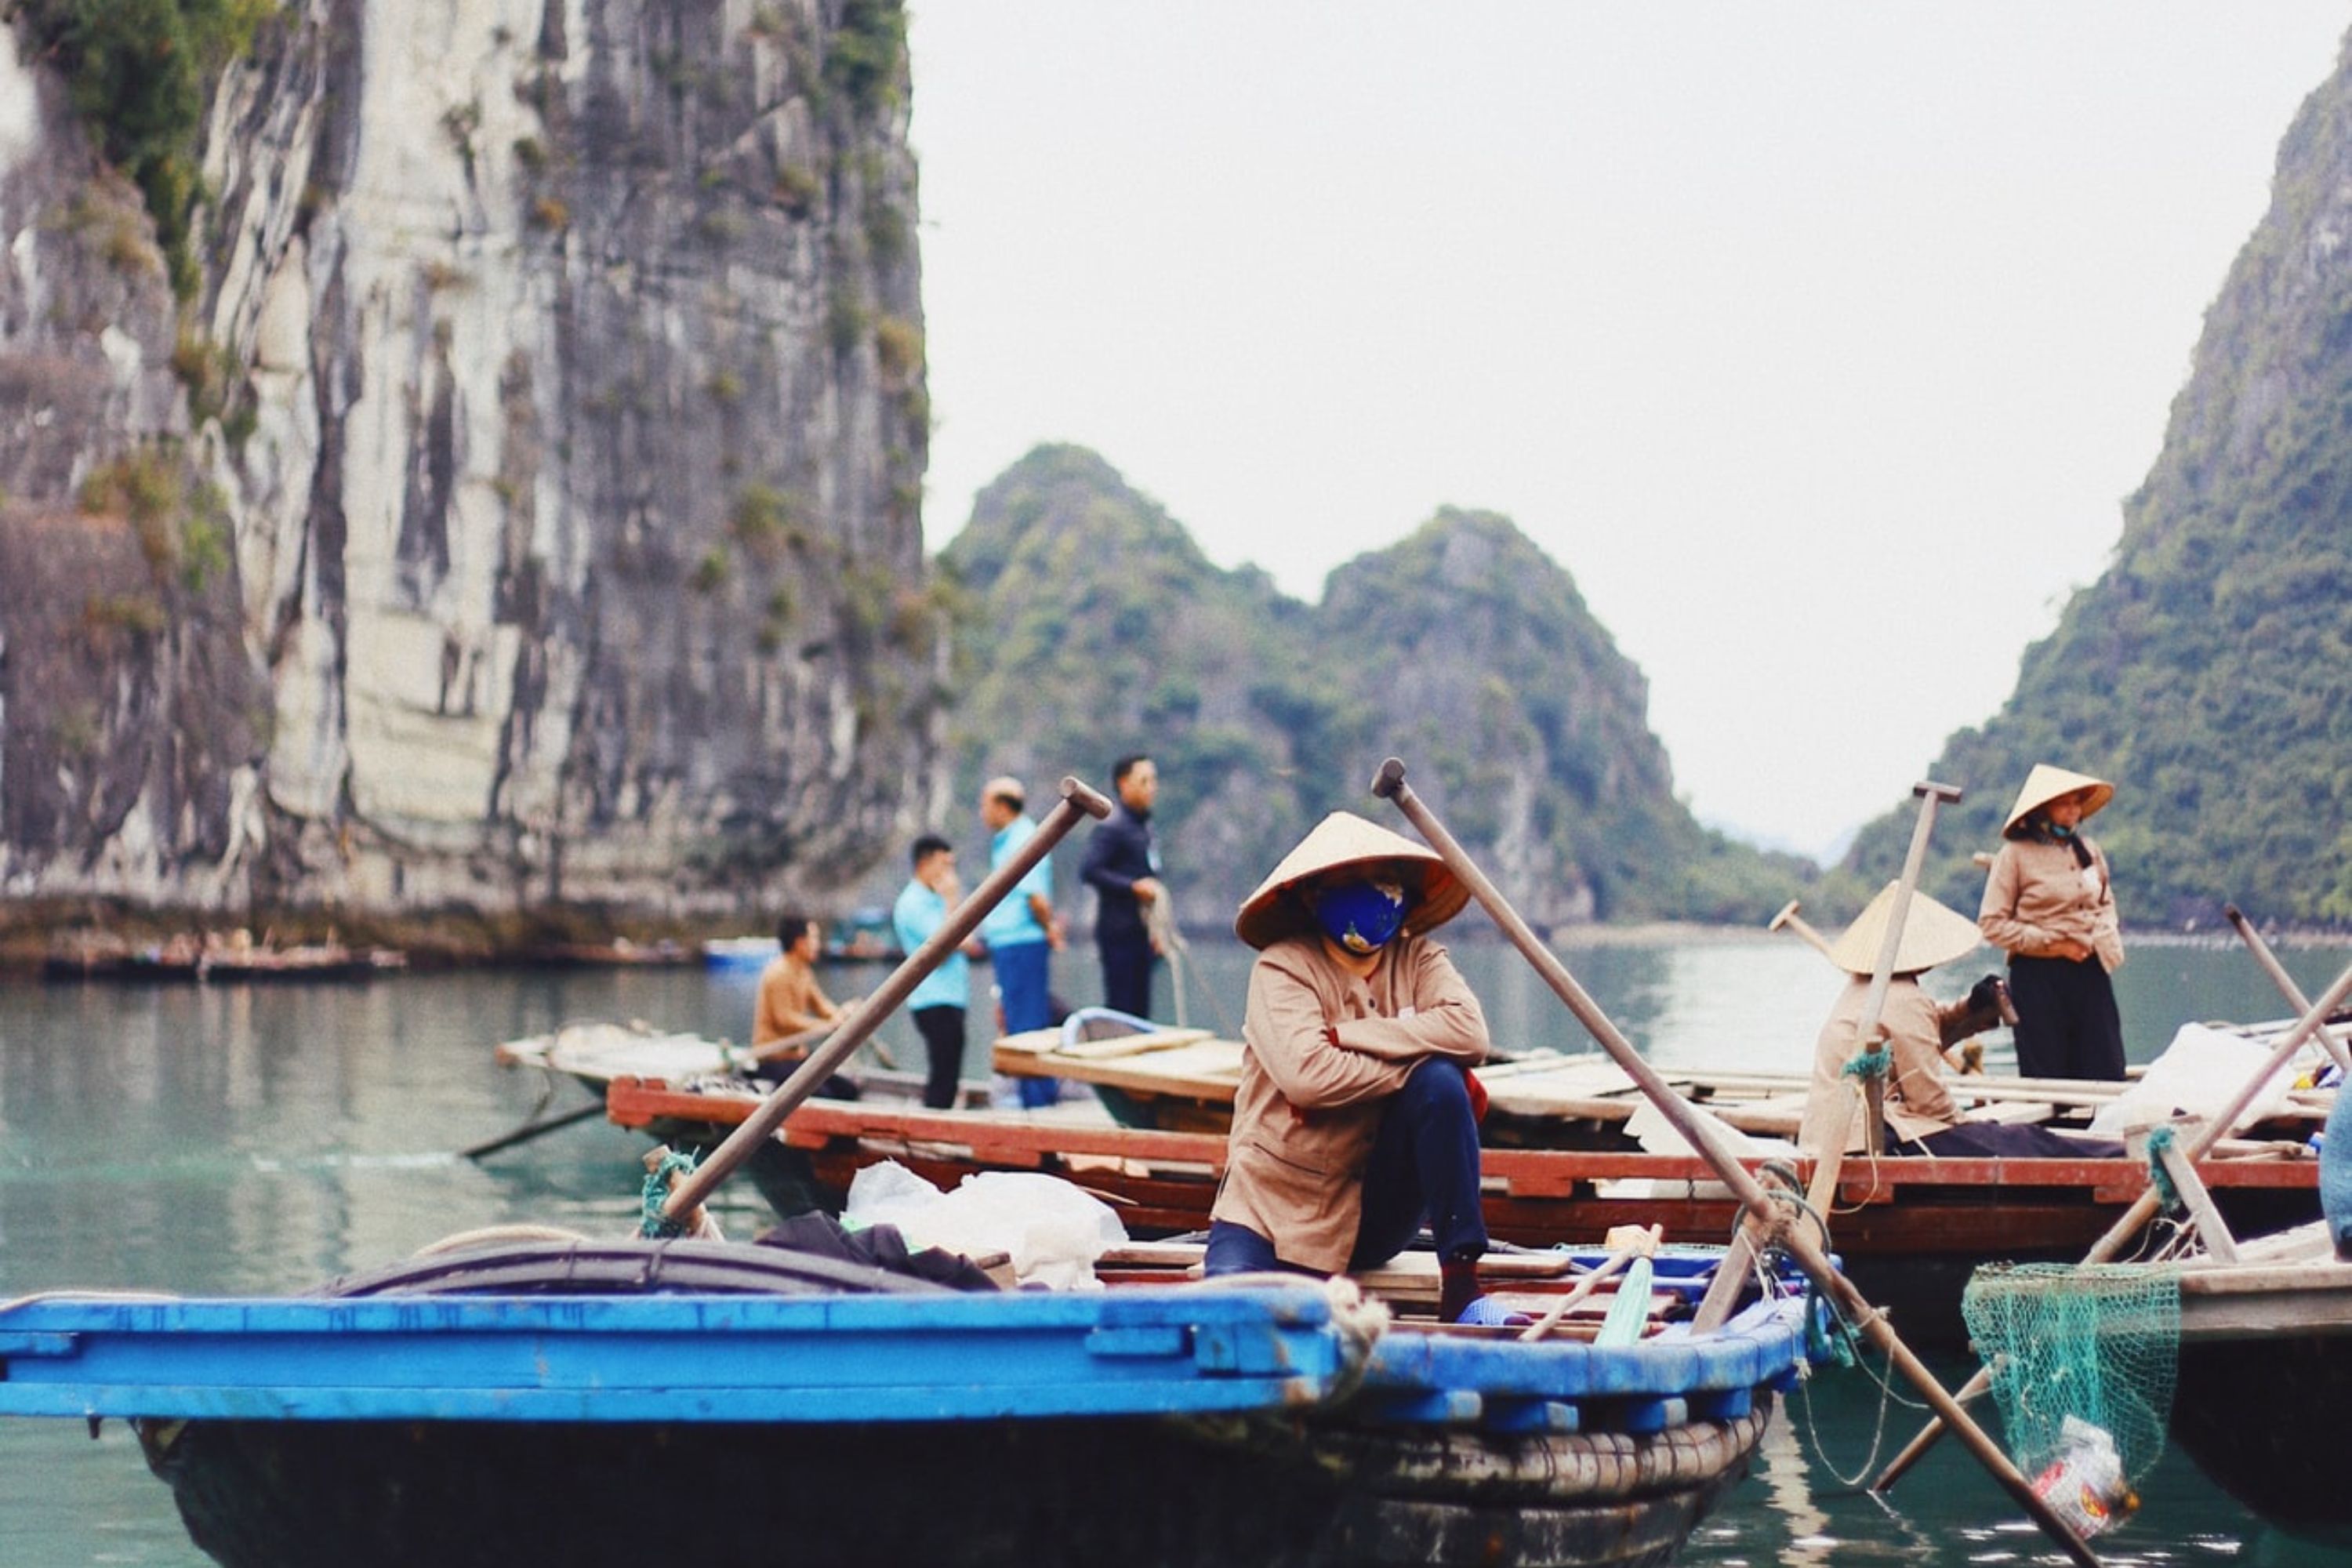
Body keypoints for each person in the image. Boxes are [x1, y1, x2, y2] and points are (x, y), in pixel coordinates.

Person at [1201, 811, 1513, 1325]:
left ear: (1405, 893)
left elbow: (1469, 1033)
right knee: (1229, 1320)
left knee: (1440, 1085)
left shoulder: (1420, 961)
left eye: (1382, 880)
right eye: (1349, 882)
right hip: (1273, 1207)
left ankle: (1462, 1288)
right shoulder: (1284, 968)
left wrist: (1352, 1037)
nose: (1369, 892)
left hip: (1374, 1212)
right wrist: (1409, 1064)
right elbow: (1310, 1077)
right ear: (1313, 896)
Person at [1800, 882, 2119, 1159]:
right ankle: (2120, 1159)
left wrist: (1972, 1007)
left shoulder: (1867, 988)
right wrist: (1978, 1131)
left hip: (1838, 1135)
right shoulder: (1903, 998)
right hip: (1873, 1139)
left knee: (2014, 1138)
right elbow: (1930, 1103)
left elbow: (1925, 1028)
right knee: (2025, 1141)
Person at [1978, 764, 2127, 1082]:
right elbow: (1992, 923)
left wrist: (2101, 936)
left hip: (2091, 971)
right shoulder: (2014, 855)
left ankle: (2099, 1132)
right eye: (2063, 804)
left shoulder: (2089, 850)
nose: (2073, 811)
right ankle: (2051, 1133)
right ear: (2041, 811)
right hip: (2039, 978)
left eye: (2076, 803)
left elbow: (2105, 903)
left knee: (2106, 1066)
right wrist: (2053, 944)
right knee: (2047, 1070)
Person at [978, 775, 1065, 1108]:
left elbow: (1036, 898)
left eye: (986, 804)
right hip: (1008, 941)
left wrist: (1050, 928)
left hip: (1022, 942)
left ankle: (1038, 1099)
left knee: (1027, 1021)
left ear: (1002, 806)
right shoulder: (1005, 840)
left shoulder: (1025, 837)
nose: (983, 812)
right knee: (1015, 1019)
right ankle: (1029, 1095)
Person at [892, 834, 978, 1110]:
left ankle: (940, 1120)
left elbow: (968, 941)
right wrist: (952, 899)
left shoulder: (935, 900)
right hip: (932, 998)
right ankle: (933, 1124)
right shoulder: (912, 903)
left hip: (952, 996)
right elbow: (941, 947)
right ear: (925, 863)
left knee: (950, 1071)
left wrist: (950, 904)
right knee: (942, 1072)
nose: (949, 873)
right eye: (945, 864)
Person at [1080, 753, 1163, 1018]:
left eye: (1153, 780)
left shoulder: (1145, 826)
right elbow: (1090, 870)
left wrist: (1158, 931)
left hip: (1142, 930)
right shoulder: (1111, 827)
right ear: (1124, 783)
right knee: (1122, 1005)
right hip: (1118, 932)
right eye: (1144, 780)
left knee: (1141, 1007)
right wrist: (1132, 887)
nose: (1152, 787)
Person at [750, 913, 862, 1098]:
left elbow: (820, 1005)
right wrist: (826, 1026)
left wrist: (842, 1015)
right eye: (814, 938)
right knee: (825, 1096)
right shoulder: (778, 974)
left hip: (798, 1058)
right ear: (799, 942)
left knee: (848, 1090)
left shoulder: (803, 972)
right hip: (775, 1062)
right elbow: (784, 1019)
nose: (817, 944)